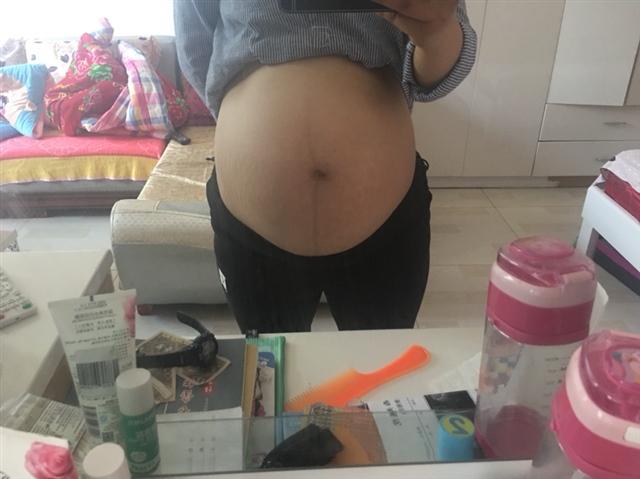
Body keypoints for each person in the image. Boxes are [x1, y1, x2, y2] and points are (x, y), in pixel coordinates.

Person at [175, 0, 477, 333]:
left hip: (388, 221)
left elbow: (441, 67)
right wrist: (248, 130)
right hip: (250, 227)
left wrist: (435, 34)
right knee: (269, 364)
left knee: (383, 363)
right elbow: (197, 48)